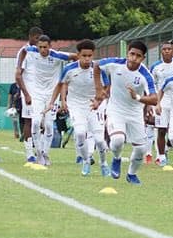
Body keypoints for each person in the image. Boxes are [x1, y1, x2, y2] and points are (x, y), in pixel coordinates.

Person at [93, 40, 158, 185]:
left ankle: (131, 174)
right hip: (115, 110)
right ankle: (116, 159)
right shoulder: (115, 64)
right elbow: (96, 65)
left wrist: (138, 97)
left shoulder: (145, 75)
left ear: (143, 58)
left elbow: (155, 99)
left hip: (135, 113)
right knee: (117, 141)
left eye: (138, 56)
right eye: (132, 54)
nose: (134, 58)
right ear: (127, 53)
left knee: (141, 149)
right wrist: (99, 89)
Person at [48, 39, 110, 176]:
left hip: (95, 105)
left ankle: (104, 163)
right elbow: (60, 84)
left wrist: (99, 100)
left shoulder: (98, 69)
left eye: (90, 56)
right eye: (84, 56)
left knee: (99, 139)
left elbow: (107, 86)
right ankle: (86, 160)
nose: (87, 59)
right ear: (78, 55)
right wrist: (54, 102)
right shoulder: (69, 69)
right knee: (80, 133)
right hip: (76, 105)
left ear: (93, 55)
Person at [16, 35, 73, 167]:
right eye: (40, 47)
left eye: (45, 47)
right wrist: (19, 66)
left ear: (50, 46)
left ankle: (45, 153)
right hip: (36, 95)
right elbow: (23, 50)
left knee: (48, 125)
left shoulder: (58, 55)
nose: (42, 50)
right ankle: (39, 153)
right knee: (35, 122)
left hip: (52, 96)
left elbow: (76, 56)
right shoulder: (32, 50)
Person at [14, 26, 44, 162]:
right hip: (29, 92)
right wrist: (26, 94)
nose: (38, 41)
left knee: (41, 122)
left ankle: (40, 150)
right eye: (36, 38)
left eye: (40, 39)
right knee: (29, 121)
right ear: (30, 37)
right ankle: (29, 153)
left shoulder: (39, 53)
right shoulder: (24, 51)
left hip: (40, 93)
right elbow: (18, 75)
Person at [150, 42, 173, 166]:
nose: (167, 51)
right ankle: (161, 157)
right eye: (164, 49)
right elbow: (152, 83)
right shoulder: (156, 67)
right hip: (162, 102)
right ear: (161, 51)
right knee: (161, 130)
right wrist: (155, 102)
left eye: (169, 49)